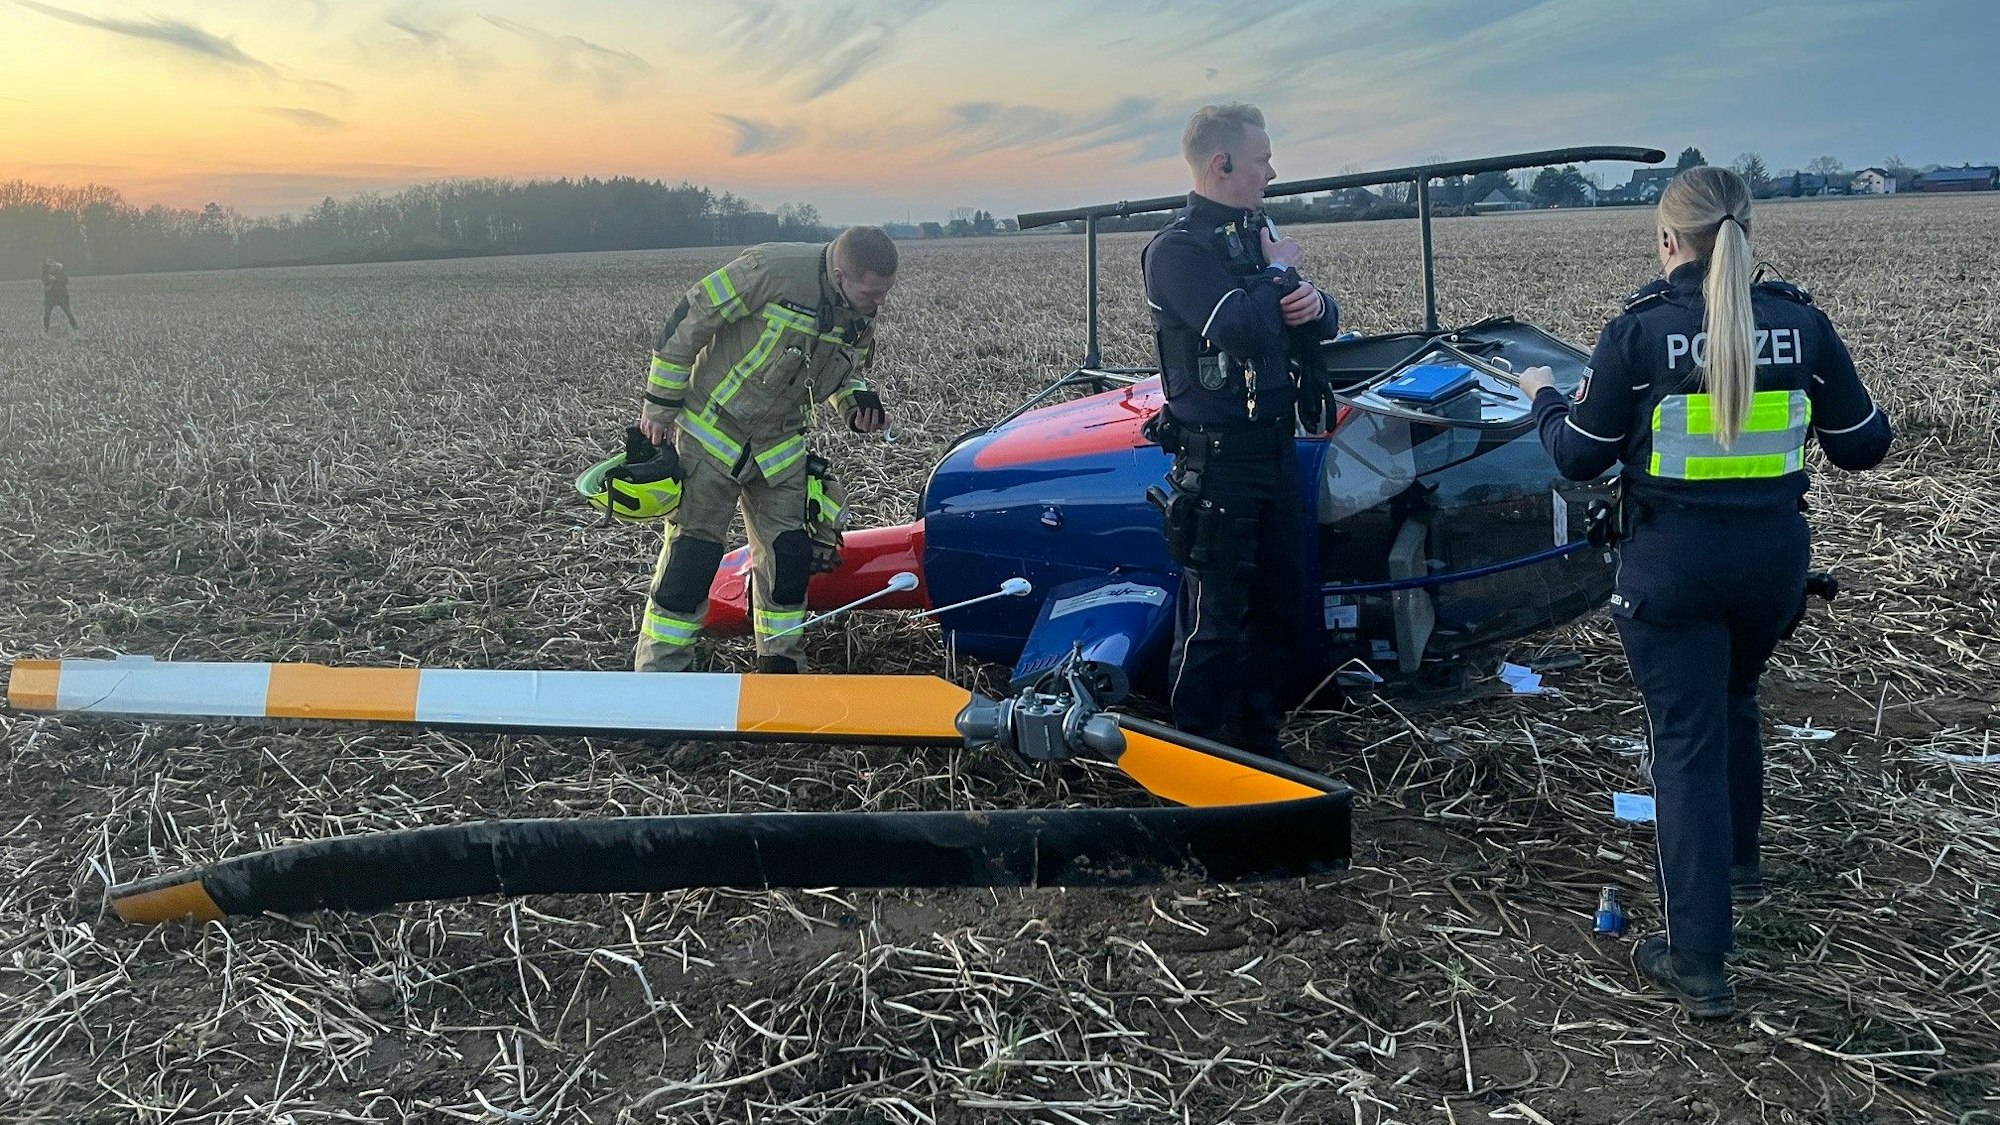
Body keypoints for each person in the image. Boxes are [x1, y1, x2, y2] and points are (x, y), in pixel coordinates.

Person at [1520, 166, 1893, 1018]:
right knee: (1736, 695)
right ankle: (1739, 863)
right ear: (1750, 232)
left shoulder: (1640, 332)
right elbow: (1864, 445)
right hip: (1772, 569)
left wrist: (1543, 400)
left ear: (1665, 238)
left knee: (1682, 741)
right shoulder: (1801, 324)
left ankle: (1696, 958)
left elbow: (1579, 456)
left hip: (1672, 573)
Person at [1140, 104, 1343, 762]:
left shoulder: (1257, 234)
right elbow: (1242, 328)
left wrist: (1317, 305)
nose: (1272, 173)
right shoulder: (1176, 252)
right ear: (1222, 164)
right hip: (1219, 463)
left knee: (1276, 611)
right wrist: (1283, 274)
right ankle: (1194, 760)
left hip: (1275, 451)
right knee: (1215, 623)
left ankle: (1259, 748)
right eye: (1262, 161)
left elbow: (1311, 322)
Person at [631, 226, 894, 674]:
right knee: (691, 560)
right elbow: (691, 317)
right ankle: (661, 674)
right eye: (871, 294)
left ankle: (781, 665)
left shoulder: (859, 309)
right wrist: (659, 405)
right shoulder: (771, 268)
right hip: (712, 433)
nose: (878, 305)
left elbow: (838, 372)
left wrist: (856, 402)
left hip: (781, 447)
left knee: (788, 559)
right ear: (839, 273)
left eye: (884, 294)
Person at [42, 258, 77, 331]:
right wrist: (49, 280)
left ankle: (76, 328)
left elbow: (66, 280)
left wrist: (55, 279)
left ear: (54, 265)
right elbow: (44, 280)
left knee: (68, 313)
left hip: (62, 296)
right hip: (51, 297)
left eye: (52, 266)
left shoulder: (60, 271)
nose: (50, 268)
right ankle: (46, 330)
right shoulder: (45, 273)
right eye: (49, 266)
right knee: (47, 314)